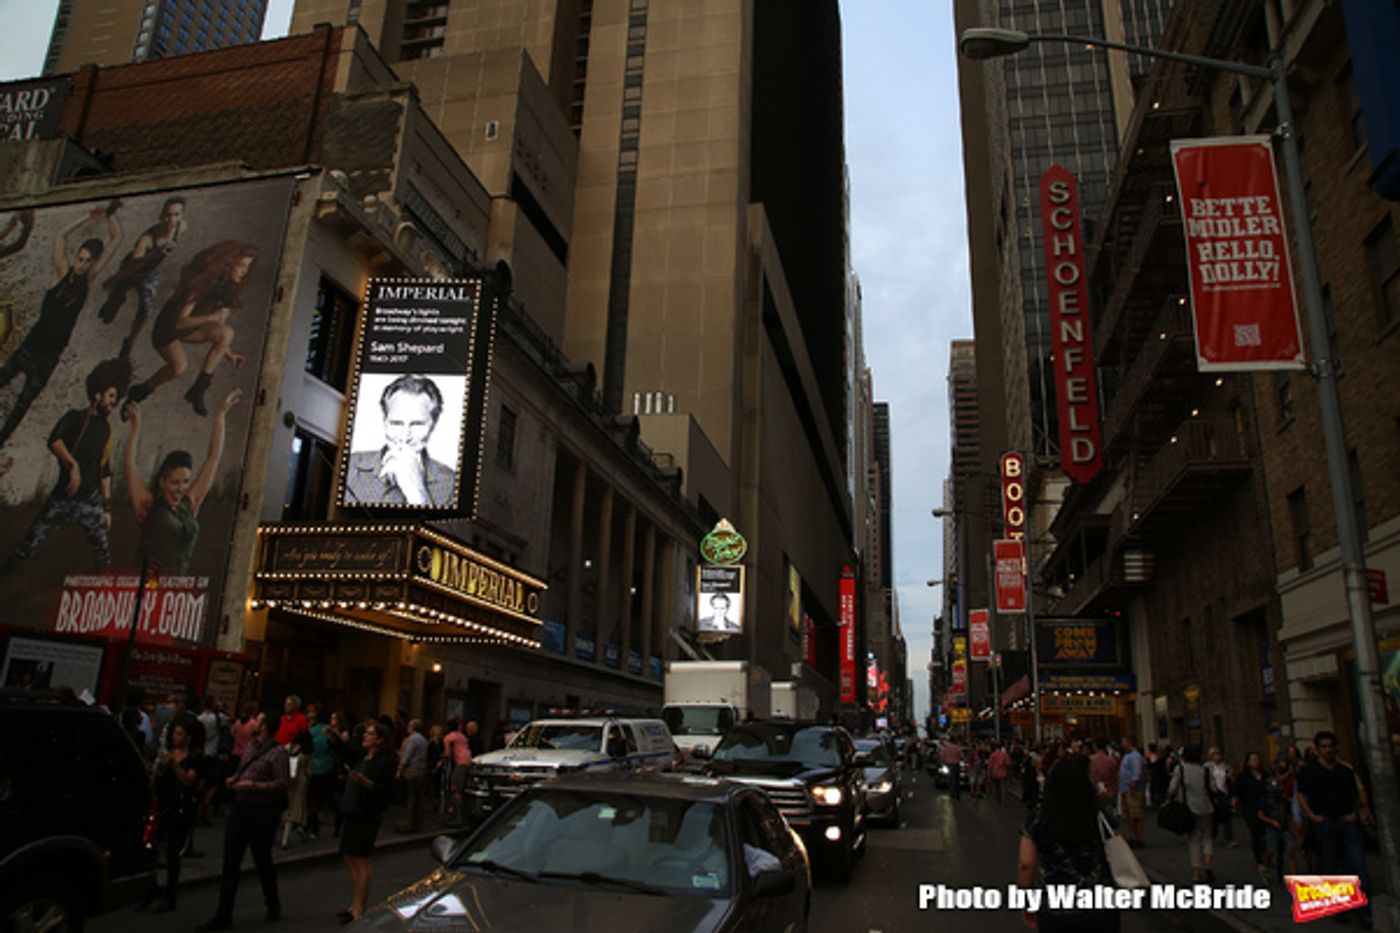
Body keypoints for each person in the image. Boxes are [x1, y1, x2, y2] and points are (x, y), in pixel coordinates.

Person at [0, 202, 122, 447]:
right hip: (29, 348)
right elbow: (60, 236)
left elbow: (116, 239)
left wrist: (111, 213)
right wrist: (86, 216)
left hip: (48, 358)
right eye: (81, 259)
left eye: (88, 261)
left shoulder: (87, 281)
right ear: (76, 257)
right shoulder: (61, 272)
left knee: (22, 405)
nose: (82, 265)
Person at [0, 360, 125, 577]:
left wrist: (106, 508)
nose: (113, 403)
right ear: (97, 393)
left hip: (91, 502)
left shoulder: (107, 429)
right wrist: (71, 464)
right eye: (111, 396)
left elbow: (104, 468)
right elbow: (54, 440)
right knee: (27, 547)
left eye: (116, 398)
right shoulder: (75, 417)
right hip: (63, 499)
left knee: (103, 558)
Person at [126, 240, 255, 416]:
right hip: (167, 328)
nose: (244, 271)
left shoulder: (226, 288)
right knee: (179, 367)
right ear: (228, 262)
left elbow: (220, 326)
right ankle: (141, 391)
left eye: (247, 267)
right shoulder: (202, 283)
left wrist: (229, 354)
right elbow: (179, 323)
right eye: (241, 266)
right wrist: (210, 317)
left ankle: (198, 389)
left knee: (227, 332)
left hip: (190, 329)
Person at [122, 387, 241, 574]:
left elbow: (213, 457)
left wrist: (221, 415)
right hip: (145, 582)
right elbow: (130, 466)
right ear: (162, 482)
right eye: (175, 482)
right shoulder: (148, 505)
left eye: (185, 482)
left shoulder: (190, 504)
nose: (181, 488)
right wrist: (136, 427)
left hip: (178, 587)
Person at [197, 712, 289, 931]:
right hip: (241, 808)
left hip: (262, 811)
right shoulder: (250, 747)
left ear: (265, 726)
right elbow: (241, 771)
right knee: (231, 862)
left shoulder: (278, 753)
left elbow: (282, 783)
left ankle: (273, 904)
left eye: (259, 720)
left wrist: (256, 786)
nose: (254, 722)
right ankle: (223, 914)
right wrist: (235, 780)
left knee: (262, 860)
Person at [1017, 754, 1122, 932]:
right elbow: (1117, 849)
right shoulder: (1099, 816)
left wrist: (1027, 902)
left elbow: (1026, 864)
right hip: (1100, 907)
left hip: (1057, 909)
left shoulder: (1038, 818)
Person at [344, 374, 456, 507]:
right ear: (384, 422)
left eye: (417, 424)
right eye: (396, 423)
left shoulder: (452, 483)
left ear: (433, 425)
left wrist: (418, 493)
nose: (405, 435)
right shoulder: (349, 466)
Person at [1297, 730, 1372, 927]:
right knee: (1330, 866)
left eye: (1330, 746)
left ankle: (1364, 912)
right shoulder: (1310, 772)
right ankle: (1339, 909)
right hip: (1325, 823)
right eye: (1324, 747)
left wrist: (1355, 812)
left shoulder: (1345, 771)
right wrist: (1312, 816)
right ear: (1317, 749)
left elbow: (1356, 793)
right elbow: (1301, 794)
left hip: (1345, 821)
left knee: (1358, 865)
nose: (1328, 750)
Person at [98, 196, 187, 359]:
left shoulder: (180, 227)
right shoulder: (146, 239)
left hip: (150, 272)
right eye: (168, 215)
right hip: (134, 268)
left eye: (176, 215)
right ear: (161, 216)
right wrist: (155, 254)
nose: (171, 220)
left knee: (146, 309)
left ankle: (129, 343)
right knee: (120, 288)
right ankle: (115, 299)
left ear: (181, 216)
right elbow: (133, 265)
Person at [338, 720, 397, 924]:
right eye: (365, 733)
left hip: (367, 813)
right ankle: (354, 903)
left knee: (362, 859)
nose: (365, 736)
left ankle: (360, 907)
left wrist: (366, 782)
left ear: (380, 739)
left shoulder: (386, 761)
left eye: (370, 734)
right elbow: (345, 750)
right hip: (353, 809)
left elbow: (385, 789)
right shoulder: (363, 757)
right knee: (349, 856)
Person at [145, 715, 204, 913]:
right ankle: (151, 889)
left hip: (181, 808)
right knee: (152, 848)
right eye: (174, 733)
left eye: (179, 734)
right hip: (164, 805)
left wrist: (174, 765)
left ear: (188, 737)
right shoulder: (169, 753)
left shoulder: (193, 758)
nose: (175, 737)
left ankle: (170, 895)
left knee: (172, 852)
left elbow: (189, 781)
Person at [1167, 744, 1217, 883]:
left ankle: (1196, 871)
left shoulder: (1180, 769)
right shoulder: (1206, 770)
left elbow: (1172, 788)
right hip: (1206, 807)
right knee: (1207, 836)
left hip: (1189, 807)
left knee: (1193, 838)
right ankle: (1208, 863)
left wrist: (1169, 799)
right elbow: (1213, 787)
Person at [1260, 753, 1300, 879]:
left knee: (1290, 851)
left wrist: (1293, 826)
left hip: (1284, 826)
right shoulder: (1266, 800)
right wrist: (1272, 822)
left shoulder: (1284, 800)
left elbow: (1289, 814)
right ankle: (1264, 866)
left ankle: (1294, 877)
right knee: (1271, 850)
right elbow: (1261, 814)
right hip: (1272, 826)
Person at [1235, 751, 1269, 878]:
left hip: (1265, 808)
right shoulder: (1243, 776)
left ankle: (1265, 855)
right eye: (1253, 760)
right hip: (1250, 808)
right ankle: (1259, 859)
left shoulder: (1265, 775)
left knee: (1265, 833)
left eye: (1257, 760)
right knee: (1256, 832)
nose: (1256, 762)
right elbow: (1238, 791)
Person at [395, 719, 429, 833]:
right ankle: (417, 824)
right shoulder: (424, 740)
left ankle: (407, 824)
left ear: (412, 727)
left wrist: (400, 768)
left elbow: (407, 755)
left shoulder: (412, 739)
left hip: (412, 770)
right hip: (421, 771)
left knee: (410, 798)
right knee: (418, 799)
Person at [440, 718, 472, 826]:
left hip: (460, 762)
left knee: (455, 790)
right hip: (468, 761)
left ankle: (458, 818)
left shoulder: (448, 738)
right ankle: (460, 815)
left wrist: (441, 757)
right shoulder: (462, 736)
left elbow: (448, 753)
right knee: (462, 789)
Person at [1118, 736, 1146, 847]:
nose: (1122, 744)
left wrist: (1133, 785)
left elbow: (1136, 771)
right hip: (1125, 788)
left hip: (1131, 789)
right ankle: (1133, 835)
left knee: (1135, 814)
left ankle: (1137, 837)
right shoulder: (1127, 755)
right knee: (1128, 815)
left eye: (1124, 742)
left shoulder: (1135, 756)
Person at [1205, 747, 1236, 847]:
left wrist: (1230, 777)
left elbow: (1232, 780)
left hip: (1224, 793)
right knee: (1214, 817)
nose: (1217, 756)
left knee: (1227, 816)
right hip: (1213, 793)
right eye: (1215, 754)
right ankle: (1211, 837)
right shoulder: (1207, 767)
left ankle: (1230, 838)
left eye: (1218, 754)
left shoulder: (1226, 766)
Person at [988, 742, 1011, 806]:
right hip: (1002, 773)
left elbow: (990, 766)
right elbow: (1008, 764)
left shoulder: (992, 755)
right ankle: (1003, 801)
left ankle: (997, 800)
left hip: (994, 773)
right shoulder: (1004, 754)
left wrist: (989, 774)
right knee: (1002, 787)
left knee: (996, 787)